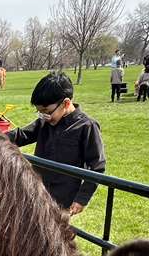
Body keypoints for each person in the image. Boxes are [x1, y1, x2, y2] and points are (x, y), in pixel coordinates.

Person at [6, 72, 105, 216]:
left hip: (62, 200)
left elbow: (97, 167)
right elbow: (22, 135)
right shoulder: (45, 122)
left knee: (53, 234)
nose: (44, 116)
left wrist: (82, 199)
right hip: (37, 192)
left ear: (66, 103)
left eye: (46, 111)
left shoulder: (87, 126)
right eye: (40, 112)